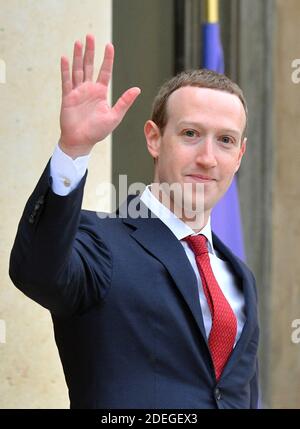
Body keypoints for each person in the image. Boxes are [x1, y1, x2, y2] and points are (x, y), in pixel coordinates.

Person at [9, 34, 259, 409]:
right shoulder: (99, 242)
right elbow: (37, 272)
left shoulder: (239, 276)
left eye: (225, 140)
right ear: (154, 139)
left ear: (239, 156)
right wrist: (73, 150)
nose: (208, 158)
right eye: (190, 134)